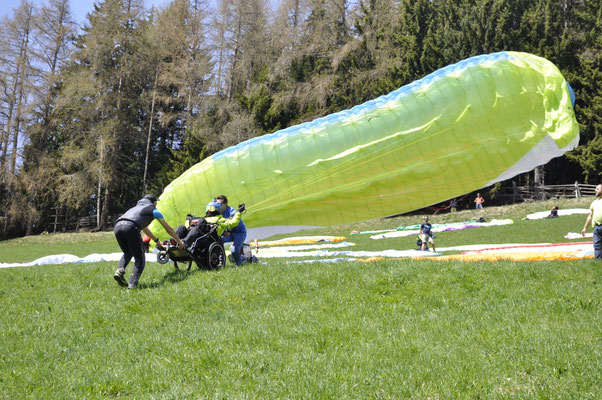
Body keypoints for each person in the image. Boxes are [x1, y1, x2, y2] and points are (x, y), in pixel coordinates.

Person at [113, 194, 185, 289]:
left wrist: (156, 241)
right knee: (140, 260)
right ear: (154, 202)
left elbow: (144, 228)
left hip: (117, 226)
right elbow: (168, 228)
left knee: (127, 252)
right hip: (131, 227)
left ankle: (119, 270)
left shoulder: (135, 208)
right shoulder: (153, 210)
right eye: (156, 203)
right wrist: (179, 241)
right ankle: (132, 286)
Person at [215, 195, 247, 265]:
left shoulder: (232, 211)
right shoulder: (218, 212)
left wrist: (228, 231)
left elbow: (234, 223)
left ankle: (239, 265)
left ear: (226, 204)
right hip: (229, 233)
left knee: (234, 251)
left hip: (239, 233)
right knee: (219, 241)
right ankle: (221, 262)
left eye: (219, 204)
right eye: (216, 204)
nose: (218, 206)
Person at [581, 184, 602, 259]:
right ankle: (598, 261)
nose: (595, 190)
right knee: (597, 245)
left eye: (597, 189)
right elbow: (590, 216)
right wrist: (585, 228)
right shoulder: (594, 203)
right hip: (596, 228)